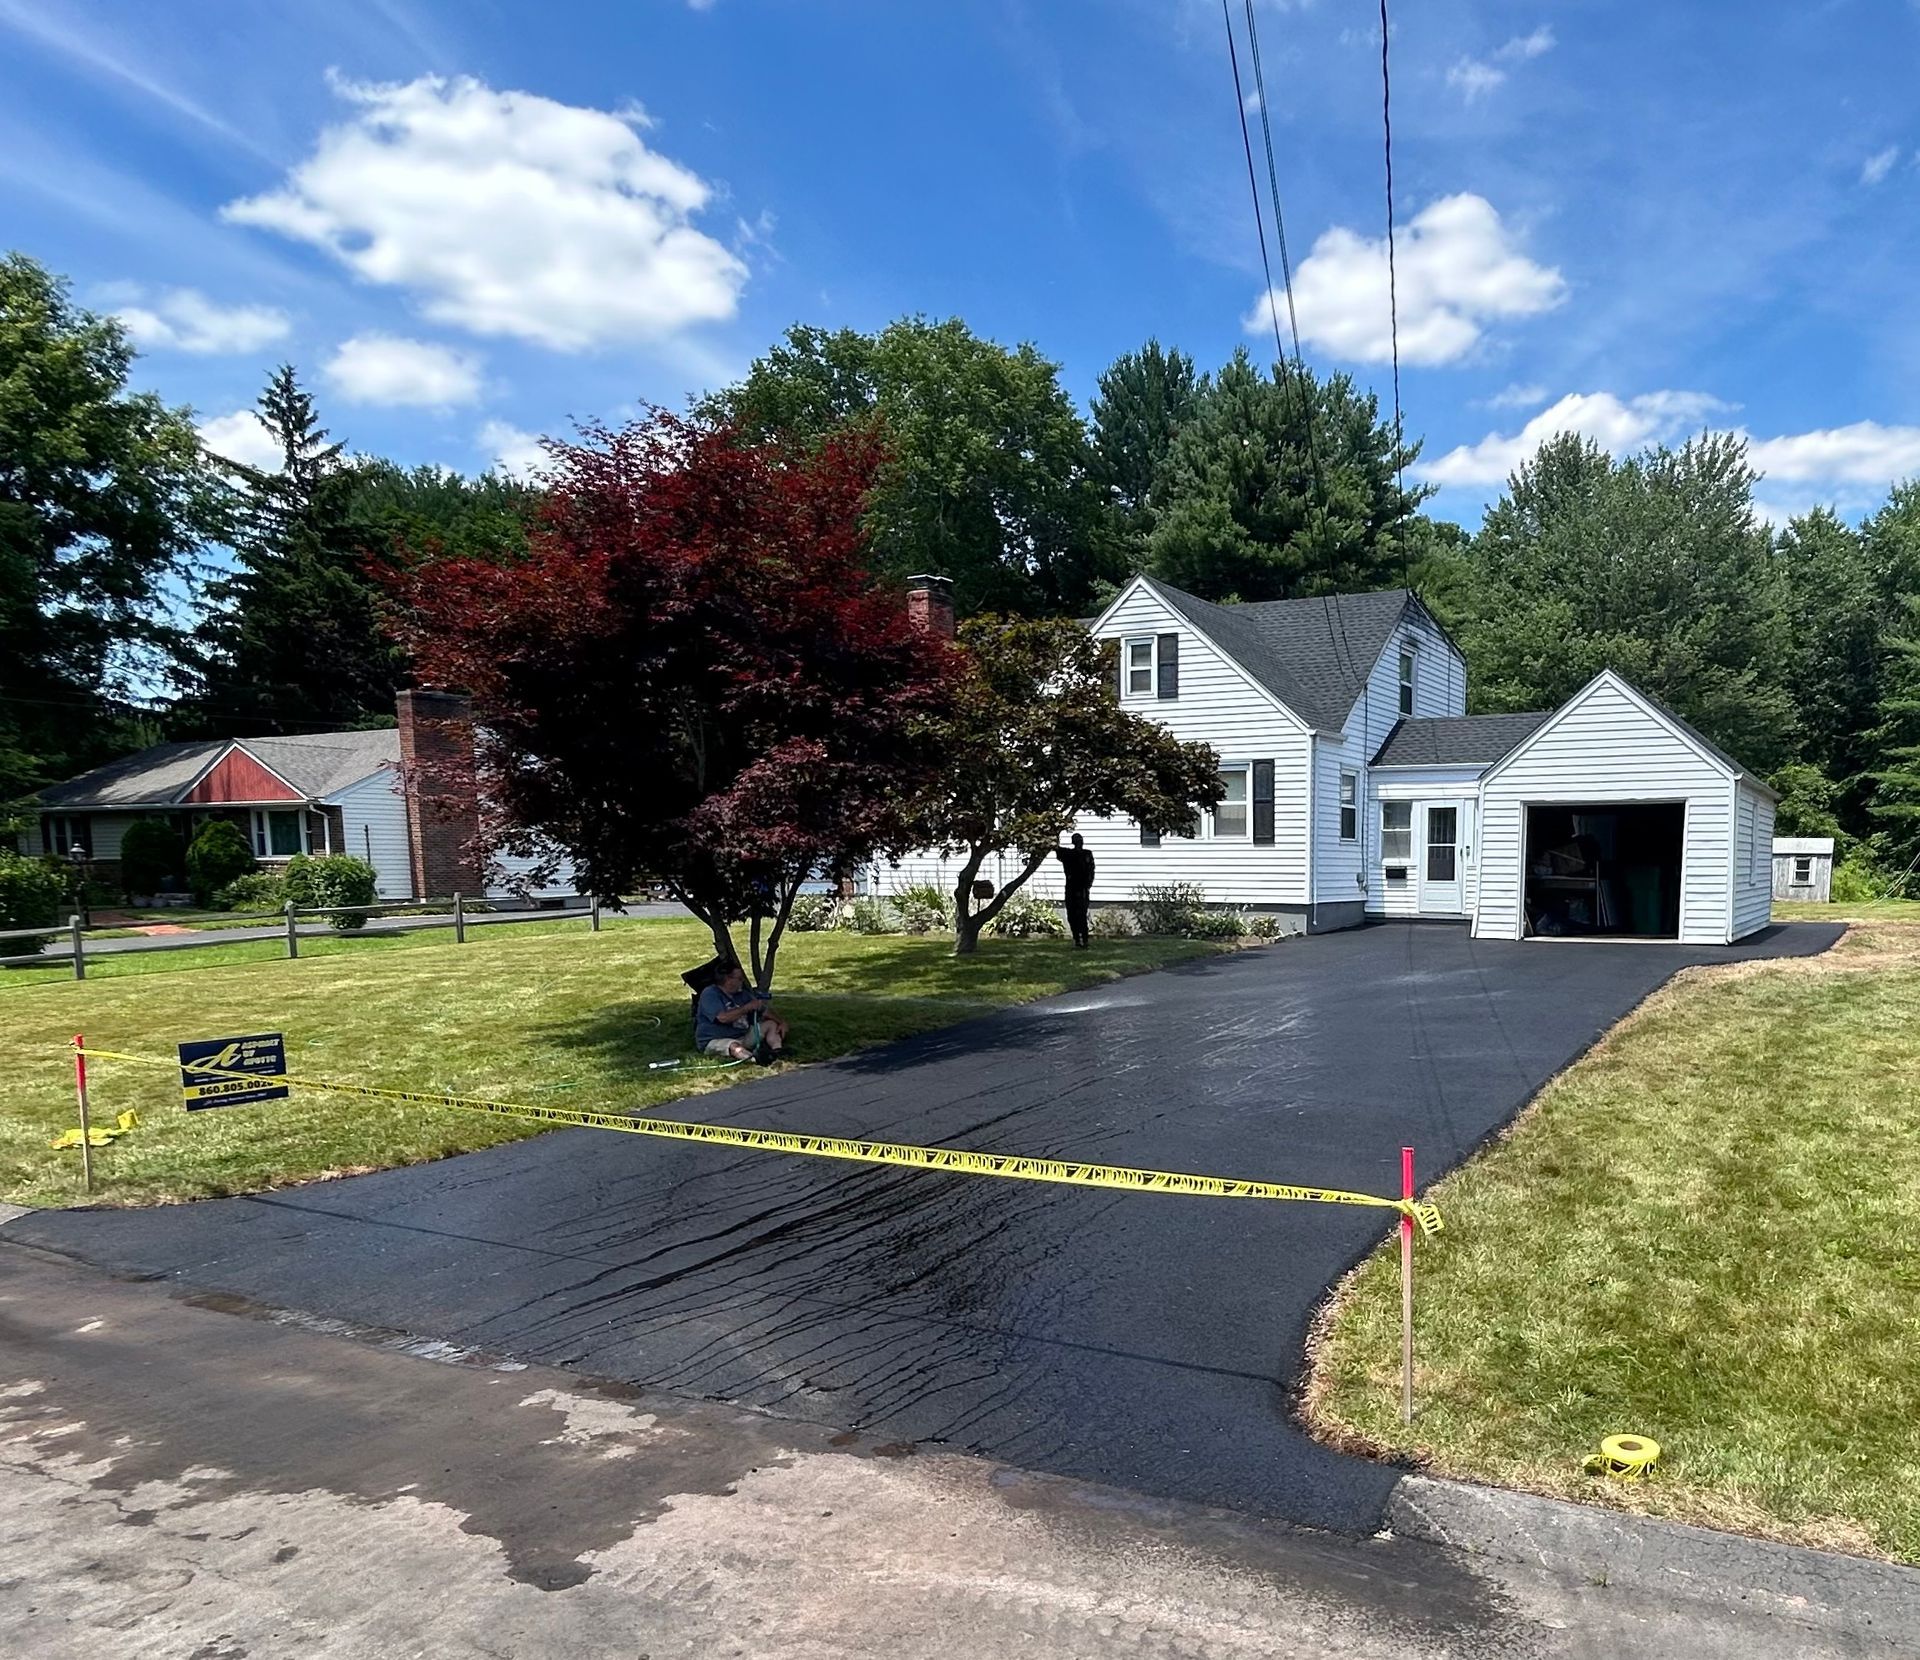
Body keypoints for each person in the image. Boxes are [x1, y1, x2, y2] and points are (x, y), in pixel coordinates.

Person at [694, 961, 789, 1063]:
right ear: (728, 979)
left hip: (742, 1035)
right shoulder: (710, 994)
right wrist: (746, 1008)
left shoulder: (742, 994)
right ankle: (755, 1060)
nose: (742, 981)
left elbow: (763, 1011)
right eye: (739, 978)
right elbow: (723, 1018)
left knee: (771, 1024)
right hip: (716, 1039)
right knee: (734, 1047)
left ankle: (777, 1052)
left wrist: (781, 1022)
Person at [1054, 832, 1095, 948]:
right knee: (1072, 915)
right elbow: (1055, 847)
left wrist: (1088, 885)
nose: (1079, 843)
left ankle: (1084, 940)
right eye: (1077, 841)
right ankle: (1077, 939)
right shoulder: (1068, 854)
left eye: (1080, 841)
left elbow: (1091, 871)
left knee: (1081, 915)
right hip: (1072, 888)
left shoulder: (1087, 854)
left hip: (1081, 889)